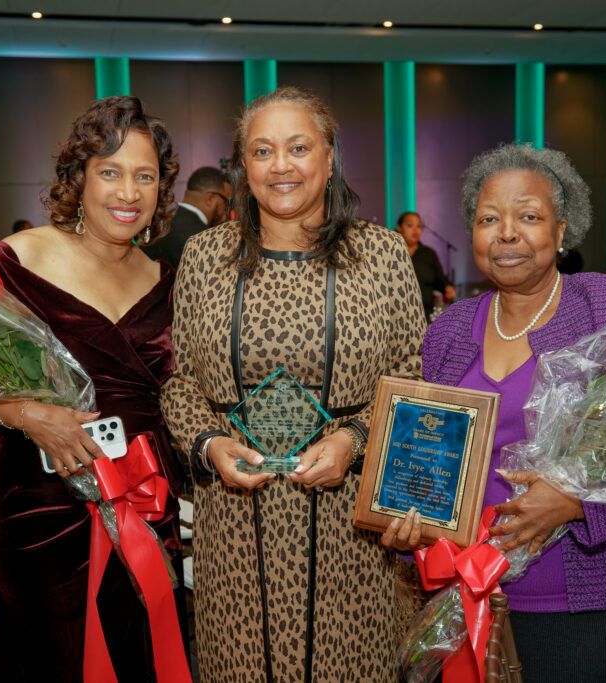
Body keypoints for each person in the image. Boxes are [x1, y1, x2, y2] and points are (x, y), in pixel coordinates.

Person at [160, 86, 426, 682]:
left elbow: (414, 371)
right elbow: (179, 382)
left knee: (350, 667)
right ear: (242, 168)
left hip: (351, 521)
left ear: (329, 158)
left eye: (299, 147)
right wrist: (208, 445)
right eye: (262, 150)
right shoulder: (204, 256)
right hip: (235, 518)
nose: (281, 165)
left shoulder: (382, 254)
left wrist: (354, 439)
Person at [383, 144, 606, 682]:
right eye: (488, 219)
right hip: (472, 600)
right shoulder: (448, 330)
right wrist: (412, 525)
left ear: (562, 231)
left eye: (529, 216)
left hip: (597, 608)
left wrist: (576, 503)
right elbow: (431, 463)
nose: (507, 233)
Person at [0, 96, 185, 682]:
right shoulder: (16, 259)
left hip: (146, 499)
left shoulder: (167, 281)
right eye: (111, 172)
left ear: (160, 189)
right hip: (40, 504)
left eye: (144, 176)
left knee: (139, 646)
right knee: (49, 655)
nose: (128, 192)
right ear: (80, 177)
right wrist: (26, 413)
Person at [143, 166, 231, 269]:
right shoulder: (204, 240)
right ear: (210, 199)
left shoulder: (157, 225)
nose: (226, 209)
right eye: (226, 202)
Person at [395, 211, 456, 318]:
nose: (415, 229)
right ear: (399, 228)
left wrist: (447, 287)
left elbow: (440, 279)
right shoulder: (390, 251)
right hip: (396, 313)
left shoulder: (429, 254)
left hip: (424, 313)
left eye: (419, 226)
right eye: (410, 225)